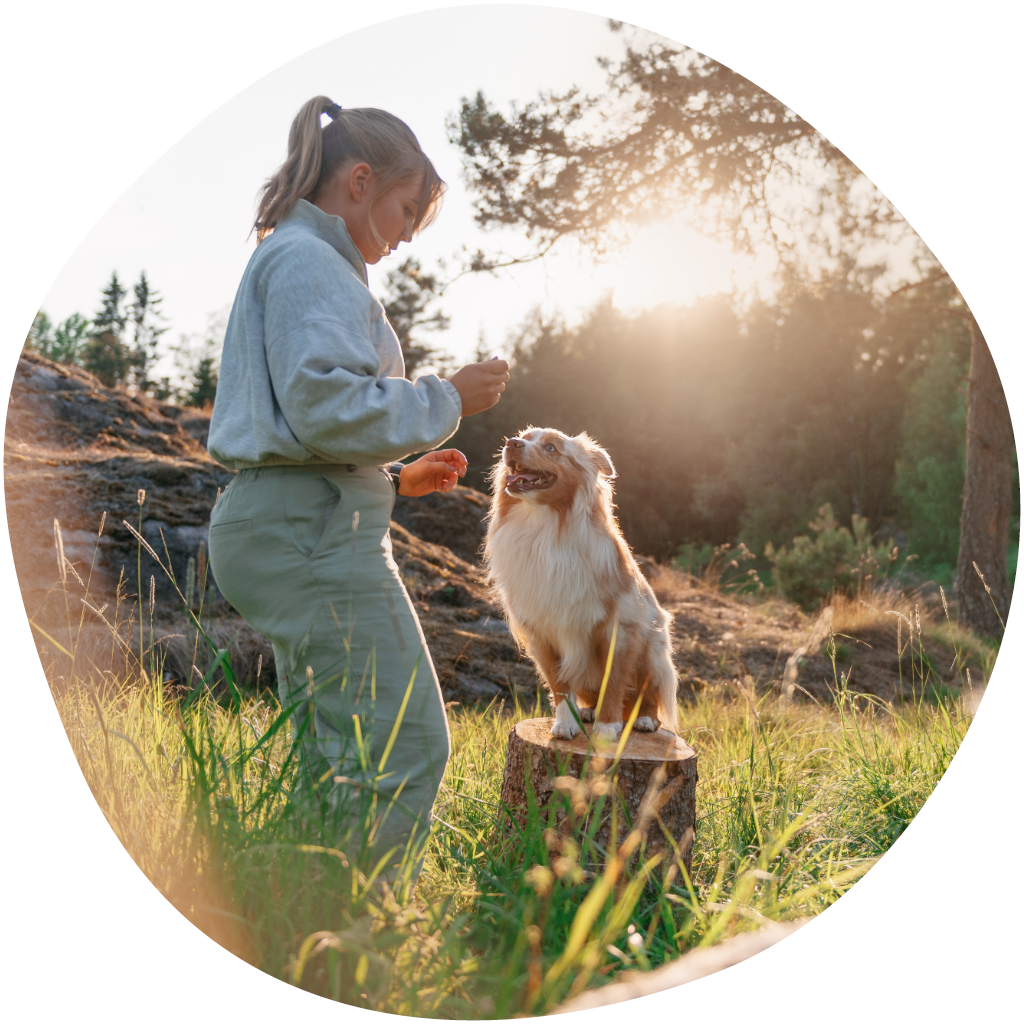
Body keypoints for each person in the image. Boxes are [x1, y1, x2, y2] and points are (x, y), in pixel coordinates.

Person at [206, 96, 509, 873]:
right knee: (408, 745)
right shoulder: (310, 261)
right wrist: (448, 399)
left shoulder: (303, 258)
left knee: (341, 755)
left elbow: (308, 420)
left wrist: (391, 480)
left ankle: (295, 917)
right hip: (308, 536)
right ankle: (357, 940)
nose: (407, 235)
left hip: (295, 522)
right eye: (407, 210)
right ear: (360, 180)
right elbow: (325, 406)